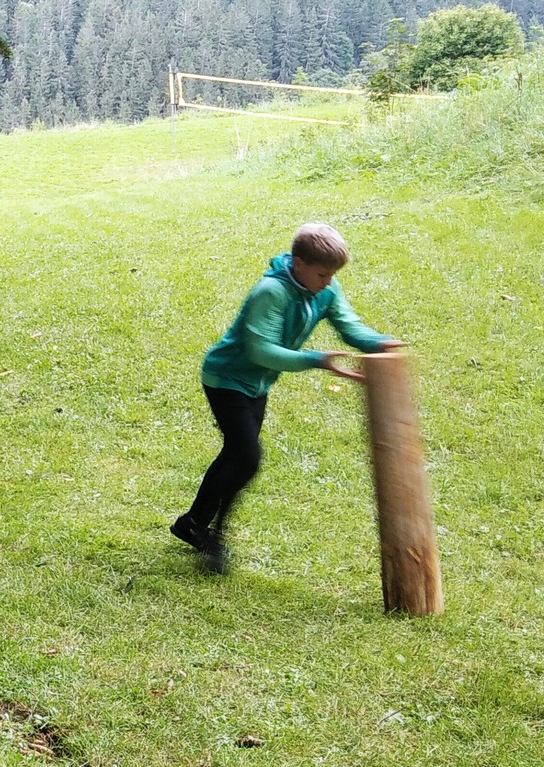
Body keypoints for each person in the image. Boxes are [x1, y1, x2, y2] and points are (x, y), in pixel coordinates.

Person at [171, 223, 405, 574]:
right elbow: (261, 350)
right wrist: (316, 360)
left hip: (256, 385)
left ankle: (194, 524)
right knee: (246, 458)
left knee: (236, 456)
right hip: (227, 380)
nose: (328, 282)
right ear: (298, 263)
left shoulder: (325, 289)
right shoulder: (270, 292)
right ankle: (208, 531)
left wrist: (378, 342)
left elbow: (348, 324)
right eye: (322, 274)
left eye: (333, 275)